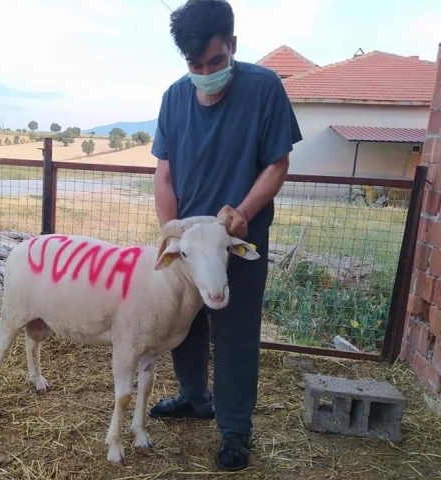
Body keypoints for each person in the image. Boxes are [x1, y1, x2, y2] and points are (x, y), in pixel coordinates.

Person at [148, 0, 302, 472]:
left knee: (235, 333)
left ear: (232, 46)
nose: (206, 74)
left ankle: (234, 429)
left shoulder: (264, 88)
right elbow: (164, 173)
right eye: (196, 66)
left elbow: (277, 163)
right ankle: (194, 398)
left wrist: (245, 213)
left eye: (215, 62)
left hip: (238, 240)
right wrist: (169, 230)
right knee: (184, 325)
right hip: (190, 243)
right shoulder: (174, 98)